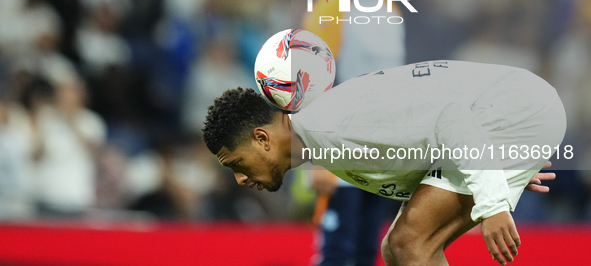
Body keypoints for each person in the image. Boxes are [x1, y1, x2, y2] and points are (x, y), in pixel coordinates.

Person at [202, 60, 566, 266]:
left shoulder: (332, 127)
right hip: (500, 117)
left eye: (235, 162)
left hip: (513, 110)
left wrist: (492, 201)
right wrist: (497, 163)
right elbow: (426, 130)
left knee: (409, 243)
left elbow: (450, 116)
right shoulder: (320, 137)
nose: (239, 178)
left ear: (262, 139)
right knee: (396, 248)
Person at [301, 0, 405, 266]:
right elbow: (310, 83)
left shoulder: (393, 13)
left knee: (365, 253)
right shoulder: (332, 9)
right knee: (336, 253)